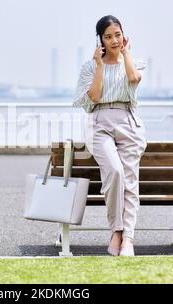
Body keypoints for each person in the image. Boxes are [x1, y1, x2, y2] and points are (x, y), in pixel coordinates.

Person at [72, 15, 148, 256]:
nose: (114, 40)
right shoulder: (90, 66)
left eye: (117, 34)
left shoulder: (135, 62)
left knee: (129, 180)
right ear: (100, 40)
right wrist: (99, 66)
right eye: (108, 36)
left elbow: (132, 82)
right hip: (100, 122)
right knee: (115, 171)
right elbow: (93, 97)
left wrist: (126, 54)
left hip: (128, 121)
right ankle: (117, 230)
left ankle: (128, 238)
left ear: (123, 35)